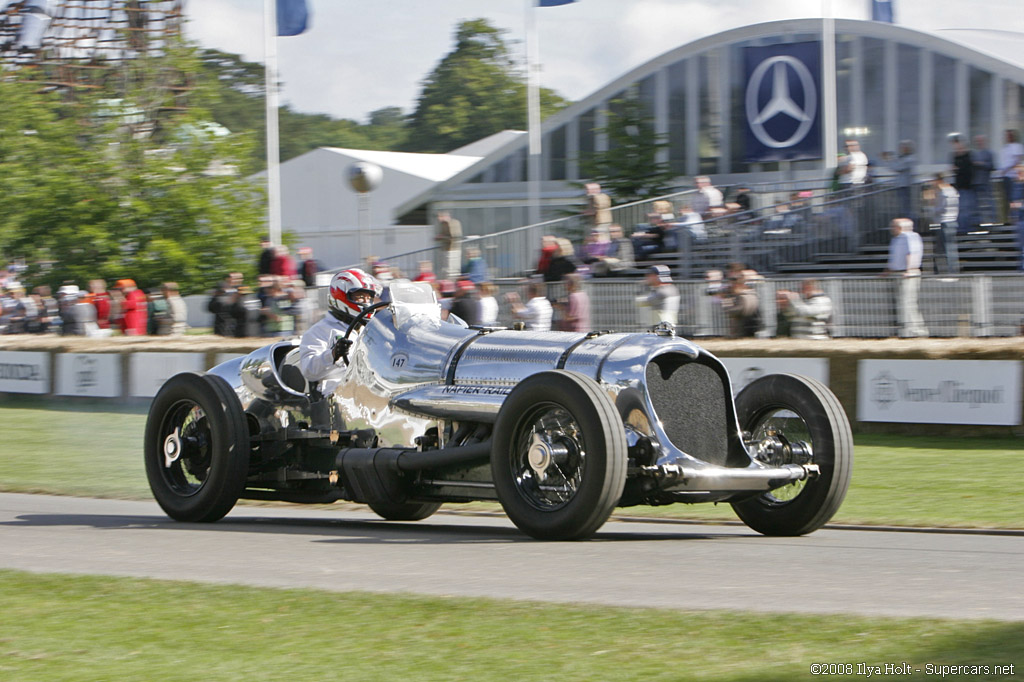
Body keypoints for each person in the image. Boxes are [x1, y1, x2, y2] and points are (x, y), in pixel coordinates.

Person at [299, 268, 382, 395]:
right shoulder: (319, 331)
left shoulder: (372, 330)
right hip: (336, 396)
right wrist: (333, 354)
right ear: (341, 296)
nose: (366, 302)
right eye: (360, 297)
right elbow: (309, 371)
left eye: (368, 297)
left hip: (371, 392)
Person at [886, 217, 928, 338]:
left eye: (893, 226)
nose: (891, 229)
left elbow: (912, 253)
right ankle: (906, 329)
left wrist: (909, 270)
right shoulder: (896, 239)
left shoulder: (910, 236)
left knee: (908, 302)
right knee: (903, 302)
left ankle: (916, 330)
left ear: (900, 227)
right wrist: (887, 271)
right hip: (898, 273)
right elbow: (894, 258)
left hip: (908, 274)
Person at [925, 173, 959, 274]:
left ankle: (951, 271)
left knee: (948, 248)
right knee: (944, 248)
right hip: (948, 221)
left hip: (946, 222)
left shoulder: (944, 192)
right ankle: (944, 270)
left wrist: (931, 206)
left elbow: (940, 208)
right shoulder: (950, 191)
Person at [718, 273, 761, 338]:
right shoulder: (746, 294)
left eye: (734, 284)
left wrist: (725, 299)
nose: (732, 286)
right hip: (741, 330)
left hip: (745, 330)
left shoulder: (747, 294)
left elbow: (733, 311)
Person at [950, 134, 974, 234]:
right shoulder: (955, 157)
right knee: (959, 210)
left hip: (966, 187)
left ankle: (965, 229)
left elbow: (967, 171)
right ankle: (960, 229)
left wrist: (957, 170)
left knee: (965, 209)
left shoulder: (968, 157)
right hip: (958, 187)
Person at [999, 129, 1024, 224]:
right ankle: (1009, 218)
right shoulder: (1005, 148)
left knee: (1014, 198)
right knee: (1007, 198)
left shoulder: (1017, 147)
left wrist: (1007, 169)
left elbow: (1017, 160)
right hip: (1005, 176)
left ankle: (1016, 217)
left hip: (1013, 176)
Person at [971, 134, 995, 226]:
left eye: (980, 141)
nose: (979, 143)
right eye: (978, 141)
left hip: (985, 181)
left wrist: (981, 164)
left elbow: (992, 166)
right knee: (976, 203)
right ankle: (978, 221)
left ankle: (992, 220)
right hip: (975, 182)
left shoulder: (989, 153)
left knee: (989, 201)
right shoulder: (973, 154)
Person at [208, 272, 241, 337]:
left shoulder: (242, 292)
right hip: (222, 326)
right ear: (227, 279)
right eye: (233, 278)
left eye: (238, 278)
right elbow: (210, 308)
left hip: (239, 328)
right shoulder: (220, 291)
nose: (235, 280)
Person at [892, 140, 917, 220]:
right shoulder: (903, 158)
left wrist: (889, 160)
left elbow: (897, 167)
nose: (901, 149)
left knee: (906, 208)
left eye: (902, 147)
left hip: (905, 186)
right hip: (901, 185)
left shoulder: (909, 159)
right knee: (903, 207)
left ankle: (909, 224)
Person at [435, 211, 463, 280]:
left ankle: (452, 283)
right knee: (445, 269)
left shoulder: (454, 223)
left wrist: (442, 237)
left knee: (452, 270)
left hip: (453, 249)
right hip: (445, 249)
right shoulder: (442, 224)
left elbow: (454, 236)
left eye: (440, 216)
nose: (438, 218)